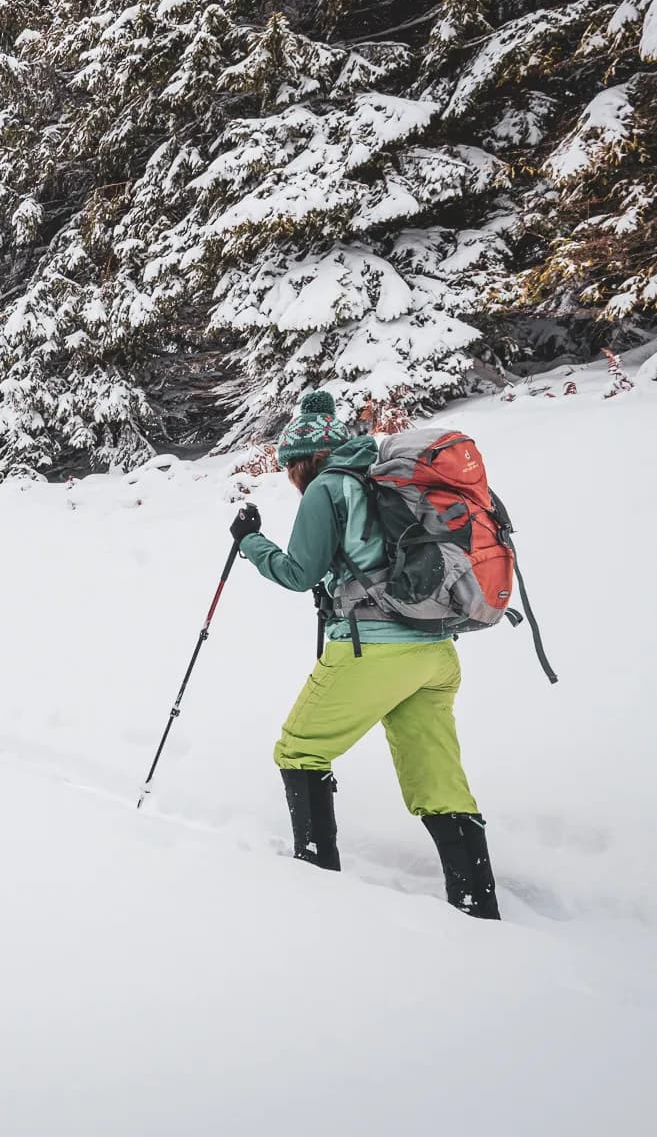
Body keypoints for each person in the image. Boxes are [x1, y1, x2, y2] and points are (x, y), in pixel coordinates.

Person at [229, 391, 500, 920]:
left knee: (299, 750)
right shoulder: (380, 479)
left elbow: (297, 573)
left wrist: (250, 542)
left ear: (300, 461)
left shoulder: (327, 488)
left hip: (374, 650)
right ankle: (477, 903)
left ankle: (314, 884)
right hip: (436, 651)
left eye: (289, 467)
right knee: (436, 778)